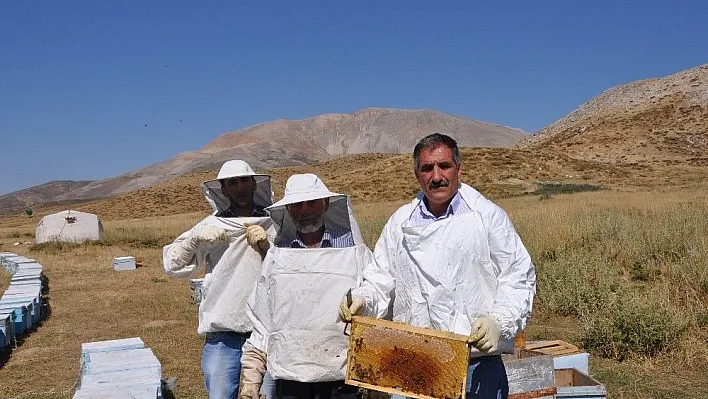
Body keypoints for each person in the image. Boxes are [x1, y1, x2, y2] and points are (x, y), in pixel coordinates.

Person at [373, 133, 536, 399]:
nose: (436, 176)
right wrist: (364, 300)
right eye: (427, 168)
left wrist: (499, 323)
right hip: (415, 362)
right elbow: (379, 278)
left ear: (459, 169)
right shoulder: (400, 222)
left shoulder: (487, 217)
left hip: (477, 364)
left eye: (444, 166)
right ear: (417, 174)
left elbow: (517, 276)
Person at [239, 173, 393, 399]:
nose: (305, 210)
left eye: (312, 202)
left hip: (343, 378)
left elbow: (377, 292)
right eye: (297, 205)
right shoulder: (277, 257)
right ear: (289, 210)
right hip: (291, 379)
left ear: (326, 203)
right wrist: (251, 378)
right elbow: (262, 320)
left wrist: (364, 299)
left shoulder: (354, 252)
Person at [163, 160, 277, 399]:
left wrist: (268, 246)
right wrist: (194, 240)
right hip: (224, 333)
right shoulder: (210, 225)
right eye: (232, 183)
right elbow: (173, 265)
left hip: (266, 331)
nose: (239, 187)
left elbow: (289, 269)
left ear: (254, 183)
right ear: (223, 189)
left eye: (244, 180)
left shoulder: (273, 223)